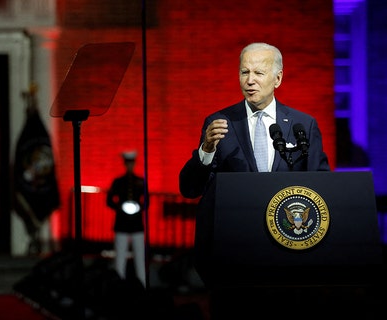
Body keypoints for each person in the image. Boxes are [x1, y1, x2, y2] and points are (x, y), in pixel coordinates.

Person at [178, 42, 330, 317]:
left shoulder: (302, 125)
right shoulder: (219, 122)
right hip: (235, 255)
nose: (249, 80)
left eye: (259, 73)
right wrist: (206, 150)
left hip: (288, 255)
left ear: (278, 78)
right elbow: (190, 189)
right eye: (244, 72)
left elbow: (322, 186)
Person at [106, 151, 147, 287]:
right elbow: (109, 200)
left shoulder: (140, 181)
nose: (130, 165)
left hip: (136, 224)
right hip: (122, 224)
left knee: (140, 259)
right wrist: (120, 207)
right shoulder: (118, 182)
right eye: (128, 162)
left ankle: (142, 286)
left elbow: (147, 201)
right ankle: (119, 287)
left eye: (131, 162)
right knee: (120, 259)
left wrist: (138, 208)